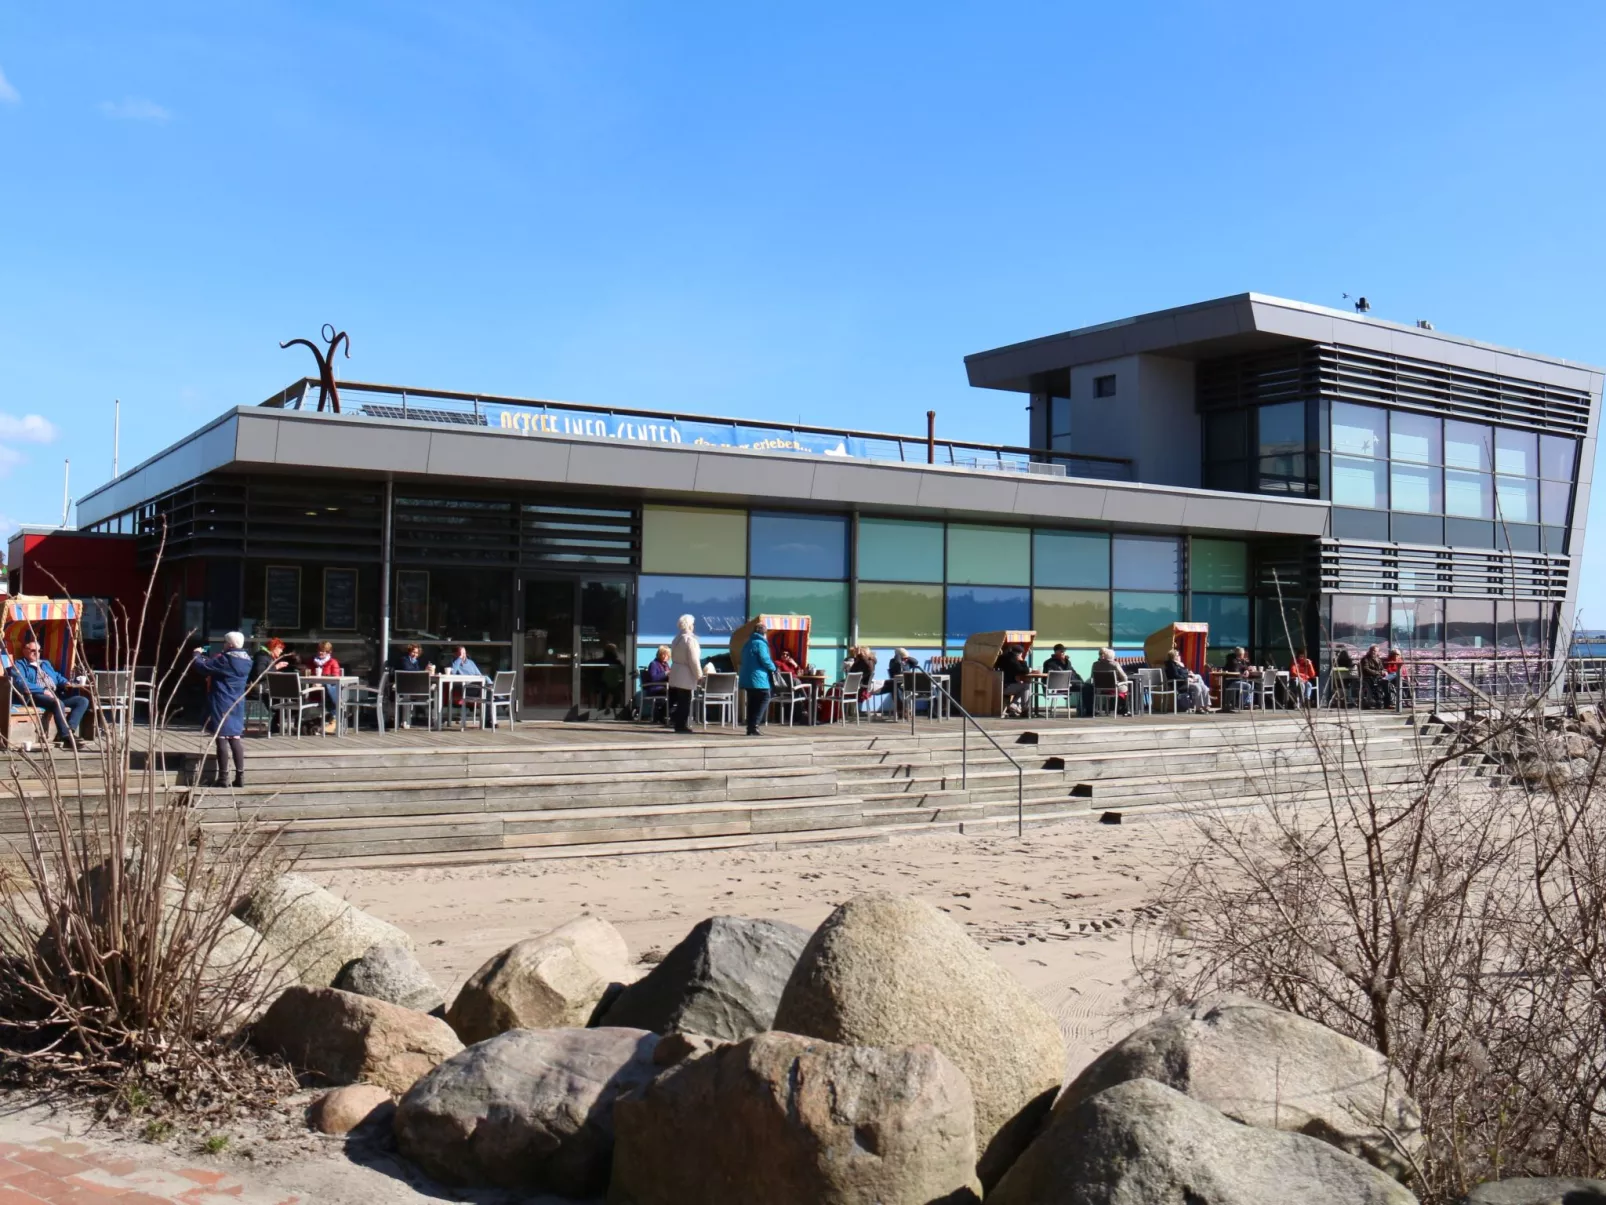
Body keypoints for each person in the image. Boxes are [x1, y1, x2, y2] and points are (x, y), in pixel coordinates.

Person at [194, 632, 253, 787]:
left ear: (230, 644)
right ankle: (240, 776)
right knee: (235, 737)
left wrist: (197, 654)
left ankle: (223, 778)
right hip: (237, 702)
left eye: (225, 643)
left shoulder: (226, 660)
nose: (224, 645)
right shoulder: (247, 660)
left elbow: (202, 667)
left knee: (221, 737)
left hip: (222, 700)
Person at [12, 638, 92, 749]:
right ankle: (66, 736)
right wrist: (42, 691)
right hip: (35, 696)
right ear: (24, 651)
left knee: (82, 701)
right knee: (57, 703)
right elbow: (21, 683)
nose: (37, 653)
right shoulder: (19, 665)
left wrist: (66, 682)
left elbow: (56, 675)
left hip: (54, 694)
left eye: (39, 651)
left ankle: (69, 731)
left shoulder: (45, 663)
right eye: (33, 650)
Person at [739, 621, 780, 737]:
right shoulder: (760, 643)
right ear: (764, 633)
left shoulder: (748, 643)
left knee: (752, 702)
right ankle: (755, 725)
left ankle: (750, 727)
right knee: (765, 697)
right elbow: (765, 659)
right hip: (758, 678)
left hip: (747, 677)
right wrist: (774, 668)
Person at [668, 614, 702, 734]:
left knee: (680, 699)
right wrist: (699, 675)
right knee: (685, 700)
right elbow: (693, 660)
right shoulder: (690, 639)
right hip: (686, 673)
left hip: (677, 671)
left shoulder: (677, 638)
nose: (693, 626)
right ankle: (681, 725)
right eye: (692, 624)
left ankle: (678, 723)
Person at [307, 641, 344, 733]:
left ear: (329, 652)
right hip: (314, 691)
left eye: (323, 651)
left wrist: (322, 683)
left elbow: (336, 678)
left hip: (328, 692)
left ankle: (334, 720)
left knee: (328, 686)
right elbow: (306, 673)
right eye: (319, 650)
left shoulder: (333, 662)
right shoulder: (312, 661)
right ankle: (333, 719)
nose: (320, 653)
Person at [448, 646, 486, 725]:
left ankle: (489, 719)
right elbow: (452, 673)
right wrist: (459, 659)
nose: (463, 655)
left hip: (475, 686)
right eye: (461, 653)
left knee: (486, 686)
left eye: (464, 653)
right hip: (464, 687)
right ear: (456, 654)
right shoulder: (454, 663)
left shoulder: (471, 662)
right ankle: (489, 720)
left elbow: (479, 675)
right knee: (488, 692)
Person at [1164, 648, 1209, 713]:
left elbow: (1183, 673)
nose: (1179, 656)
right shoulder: (1171, 665)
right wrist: (1187, 678)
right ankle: (1198, 708)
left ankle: (1206, 705)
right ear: (1173, 657)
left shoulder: (1178, 664)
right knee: (1197, 687)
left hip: (1185, 681)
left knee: (1203, 687)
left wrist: (1189, 675)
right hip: (1179, 684)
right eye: (1177, 655)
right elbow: (1176, 675)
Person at [995, 643, 1031, 717]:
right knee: (1026, 686)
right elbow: (1024, 671)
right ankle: (1024, 709)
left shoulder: (1003, 657)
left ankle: (1014, 706)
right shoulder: (1012, 660)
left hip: (999, 685)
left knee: (1022, 686)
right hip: (1006, 687)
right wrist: (1022, 661)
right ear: (1019, 654)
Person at [1091, 647, 1130, 714]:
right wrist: (1124, 682)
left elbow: (1092, 676)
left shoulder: (1095, 664)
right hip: (1113, 688)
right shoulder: (1115, 664)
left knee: (1122, 687)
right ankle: (1126, 709)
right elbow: (1124, 676)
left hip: (1100, 689)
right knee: (1127, 686)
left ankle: (1114, 707)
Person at [640, 645, 672, 723]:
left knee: (678, 693)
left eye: (667, 655)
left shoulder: (666, 665)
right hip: (655, 688)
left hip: (664, 687)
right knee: (673, 694)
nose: (665, 656)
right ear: (659, 654)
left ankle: (661, 714)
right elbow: (653, 678)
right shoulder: (654, 664)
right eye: (663, 654)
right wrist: (665, 673)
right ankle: (662, 714)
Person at [1222, 646, 1255, 712]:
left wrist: (1247, 669)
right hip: (1231, 681)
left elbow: (1244, 666)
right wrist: (1245, 670)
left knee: (1250, 684)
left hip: (1237, 680)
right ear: (1240, 654)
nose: (1244, 656)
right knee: (1248, 685)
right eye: (1243, 654)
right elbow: (1236, 669)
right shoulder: (1233, 660)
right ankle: (1244, 703)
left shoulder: (1239, 660)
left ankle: (1245, 703)